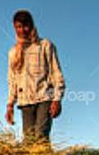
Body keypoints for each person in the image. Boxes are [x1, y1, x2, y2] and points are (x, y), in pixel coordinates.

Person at [5, 10, 66, 142]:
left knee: (41, 136)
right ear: (15, 28)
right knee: (29, 140)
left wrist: (57, 99)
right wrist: (10, 105)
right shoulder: (13, 53)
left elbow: (56, 73)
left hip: (44, 98)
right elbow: (12, 80)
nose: (22, 30)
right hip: (25, 102)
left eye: (25, 26)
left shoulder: (45, 45)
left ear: (32, 25)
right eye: (18, 27)